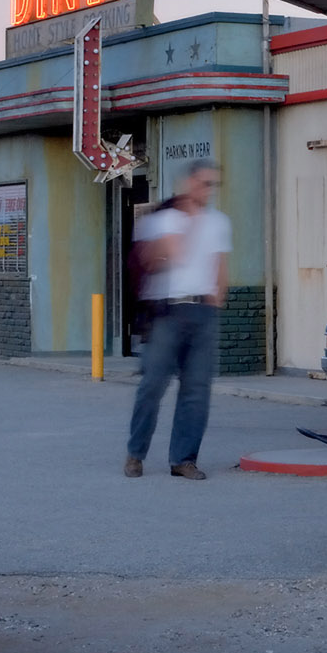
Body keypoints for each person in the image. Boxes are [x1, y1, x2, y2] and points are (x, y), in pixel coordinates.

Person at [124, 159, 231, 480]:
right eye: (203, 183)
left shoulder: (219, 222)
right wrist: (188, 223)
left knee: (197, 389)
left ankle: (183, 459)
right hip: (167, 311)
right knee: (153, 385)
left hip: (203, 312)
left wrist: (218, 296)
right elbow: (160, 261)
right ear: (188, 184)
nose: (207, 190)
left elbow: (220, 263)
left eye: (213, 185)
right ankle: (135, 453)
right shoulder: (161, 219)